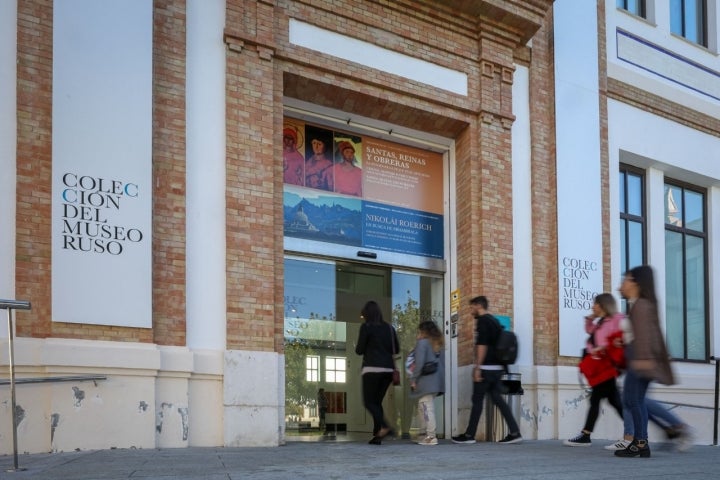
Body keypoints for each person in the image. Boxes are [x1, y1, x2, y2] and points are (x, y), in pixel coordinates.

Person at [614, 265, 675, 458]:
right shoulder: (642, 304)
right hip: (640, 357)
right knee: (634, 400)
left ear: (636, 283)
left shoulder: (641, 305)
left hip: (640, 358)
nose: (622, 284)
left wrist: (643, 359)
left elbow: (646, 336)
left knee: (633, 400)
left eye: (627, 279)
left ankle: (641, 443)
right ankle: (641, 442)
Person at [452, 296, 522, 445]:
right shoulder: (494, 321)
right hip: (498, 369)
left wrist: (477, 367)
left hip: (486, 369)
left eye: (472, 308)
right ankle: (515, 432)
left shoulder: (482, 321)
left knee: (477, 401)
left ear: (478, 305)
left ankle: (469, 435)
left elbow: (482, 345)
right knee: (498, 400)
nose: (471, 311)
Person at [565, 293, 624, 446]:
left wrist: (604, 348)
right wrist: (591, 317)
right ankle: (634, 432)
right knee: (614, 401)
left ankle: (586, 435)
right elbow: (589, 331)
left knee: (597, 399)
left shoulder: (616, 319)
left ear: (603, 305)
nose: (593, 306)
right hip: (600, 366)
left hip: (607, 366)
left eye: (595, 304)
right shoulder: (601, 322)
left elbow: (620, 338)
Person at [355, 300, 399, 445]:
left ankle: (386, 427)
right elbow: (396, 349)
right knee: (376, 402)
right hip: (388, 371)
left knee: (369, 402)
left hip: (372, 370)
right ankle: (377, 435)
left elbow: (359, 350)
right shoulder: (389, 328)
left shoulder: (366, 327)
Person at [408, 320, 445, 446]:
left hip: (426, 382)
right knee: (423, 407)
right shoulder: (438, 344)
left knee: (426, 408)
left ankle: (431, 436)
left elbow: (419, 364)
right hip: (436, 382)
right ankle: (423, 434)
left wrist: (413, 379)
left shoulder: (422, 343)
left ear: (423, 331)